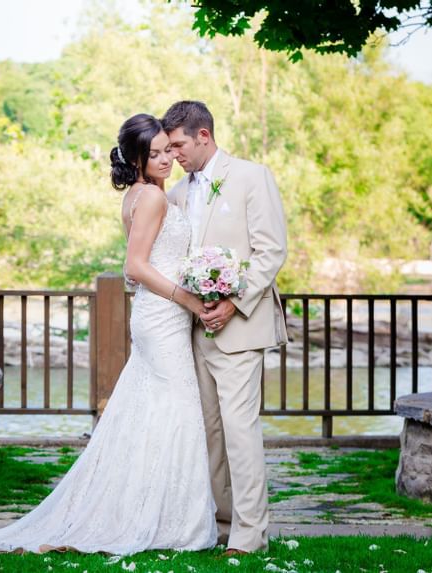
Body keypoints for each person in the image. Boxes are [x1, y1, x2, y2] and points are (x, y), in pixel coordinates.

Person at [0, 113, 218, 555]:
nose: (166, 159)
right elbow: (135, 267)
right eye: (156, 154)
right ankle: (167, 523)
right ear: (137, 159)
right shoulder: (152, 200)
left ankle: (150, 512)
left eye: (169, 150)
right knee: (175, 412)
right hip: (164, 316)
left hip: (154, 315)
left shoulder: (138, 195)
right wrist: (187, 299)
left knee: (149, 414)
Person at [163, 100, 289, 555]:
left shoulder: (252, 177)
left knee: (240, 431)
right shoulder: (176, 193)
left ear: (203, 136)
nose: (174, 153)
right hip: (194, 330)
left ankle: (250, 534)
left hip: (241, 328)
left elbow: (271, 251)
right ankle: (221, 524)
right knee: (209, 433)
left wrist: (232, 303)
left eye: (179, 144)